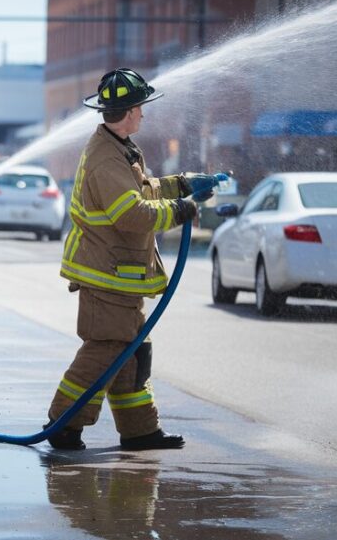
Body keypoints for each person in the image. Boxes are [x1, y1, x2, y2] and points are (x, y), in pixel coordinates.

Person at [46, 68, 217, 451]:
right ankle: (63, 424)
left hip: (119, 275)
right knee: (104, 350)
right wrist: (181, 209)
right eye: (140, 107)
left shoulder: (119, 147)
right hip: (106, 276)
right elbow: (131, 215)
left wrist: (186, 183)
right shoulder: (106, 159)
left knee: (133, 352)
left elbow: (143, 189)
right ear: (128, 111)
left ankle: (140, 430)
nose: (143, 114)